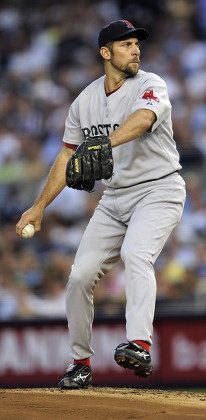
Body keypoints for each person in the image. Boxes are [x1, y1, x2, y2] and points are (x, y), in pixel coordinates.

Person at [16, 20, 186, 389]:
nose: (135, 50)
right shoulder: (85, 101)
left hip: (159, 189)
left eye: (136, 44)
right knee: (79, 276)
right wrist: (39, 206)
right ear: (105, 53)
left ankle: (139, 343)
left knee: (136, 254)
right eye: (125, 44)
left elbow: (142, 120)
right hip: (115, 198)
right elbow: (65, 158)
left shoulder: (150, 84)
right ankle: (80, 362)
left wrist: (104, 143)